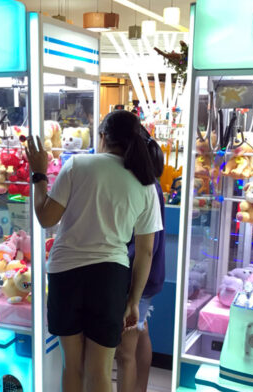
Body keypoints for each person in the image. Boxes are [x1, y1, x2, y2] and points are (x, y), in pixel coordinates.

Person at [25, 110, 163, 392]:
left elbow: (46, 218)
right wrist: (134, 300)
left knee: (71, 366)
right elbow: (146, 252)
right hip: (110, 278)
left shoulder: (77, 165)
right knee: (99, 370)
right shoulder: (146, 183)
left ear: (102, 137)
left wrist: (38, 174)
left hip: (65, 274)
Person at [115, 128, 166, 392]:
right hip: (146, 273)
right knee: (140, 330)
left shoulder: (146, 186)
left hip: (139, 276)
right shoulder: (148, 183)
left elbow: (145, 247)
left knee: (126, 350)